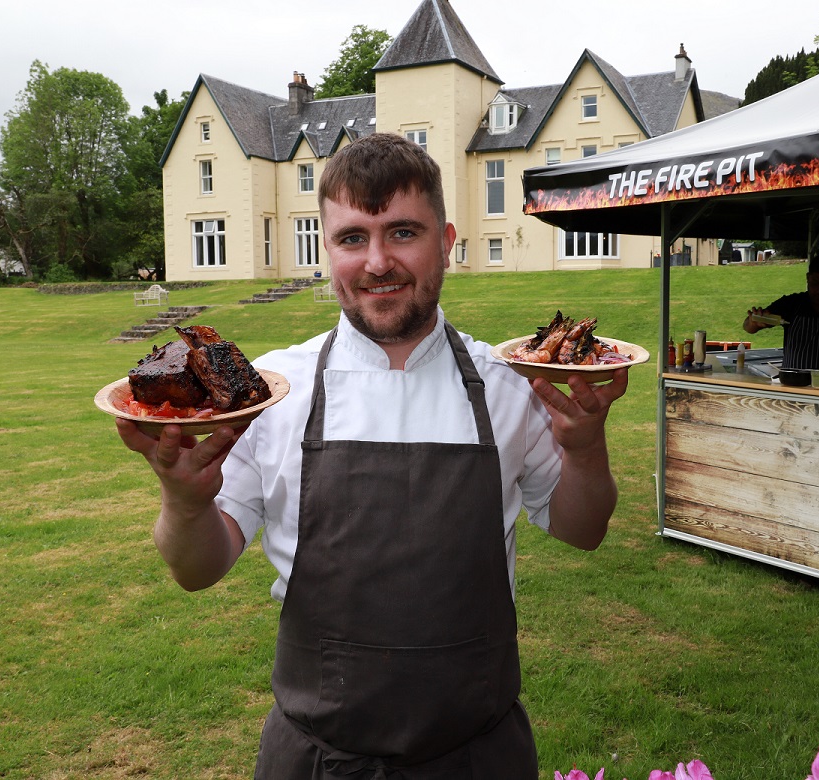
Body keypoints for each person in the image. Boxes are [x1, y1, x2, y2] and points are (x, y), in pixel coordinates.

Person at [115, 133, 627, 779]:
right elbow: (197, 570)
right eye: (353, 238)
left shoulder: (507, 384)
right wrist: (186, 504)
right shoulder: (272, 392)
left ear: (446, 240)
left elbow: (582, 530)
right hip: (317, 760)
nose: (377, 261)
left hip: (477, 756)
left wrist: (584, 451)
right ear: (328, 249)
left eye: (402, 232)